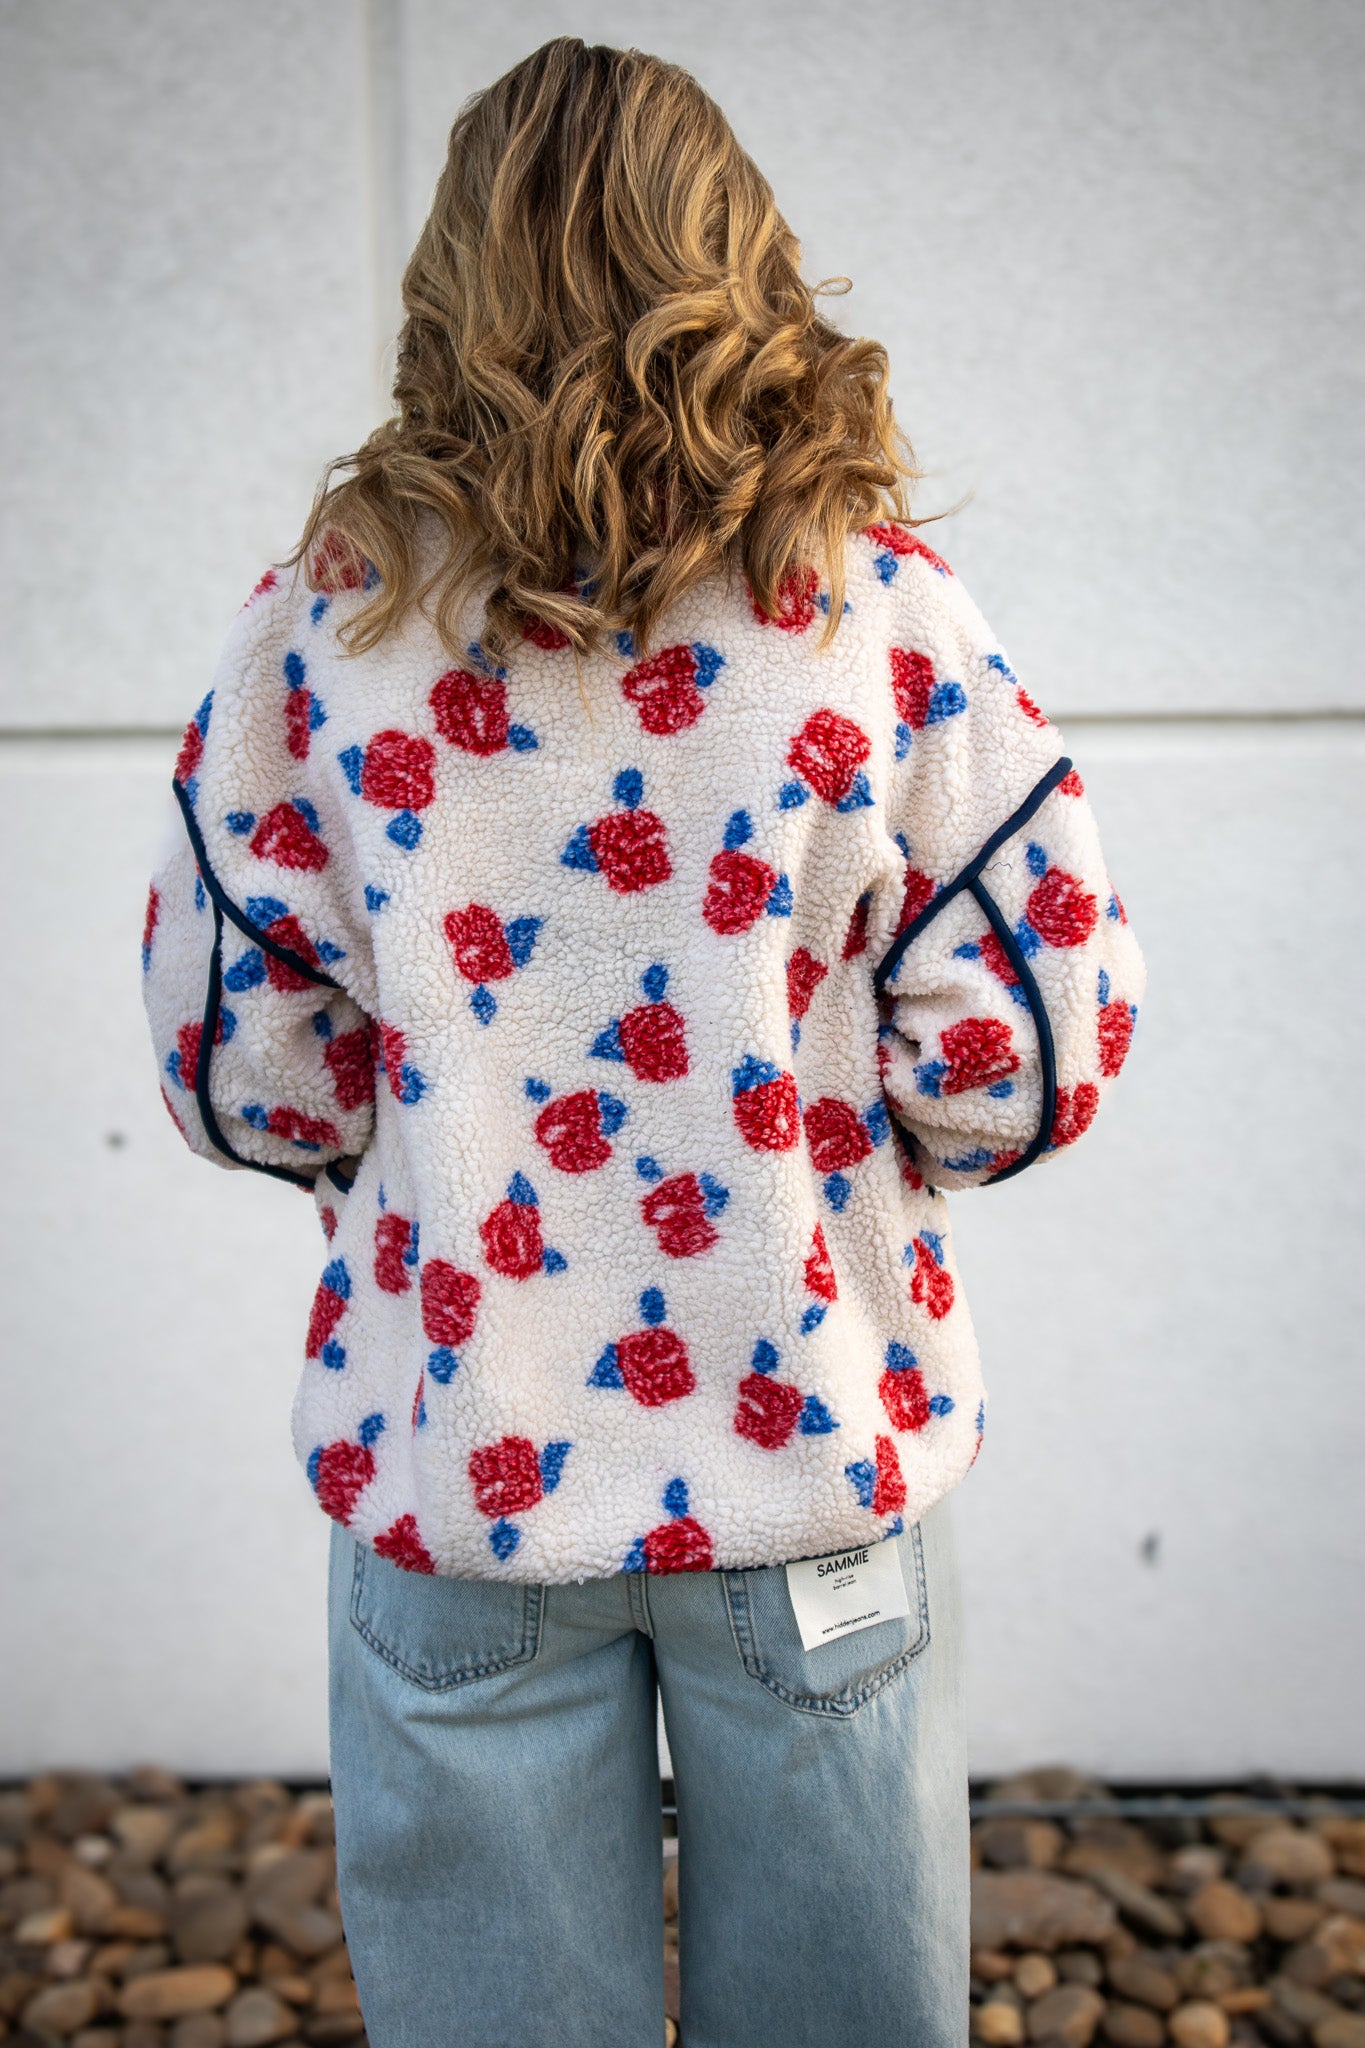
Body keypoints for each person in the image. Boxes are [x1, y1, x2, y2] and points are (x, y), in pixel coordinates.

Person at [141, 35, 1145, 2048]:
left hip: (461, 1464)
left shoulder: (321, 630)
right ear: (743, 268)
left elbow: (240, 1055)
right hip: (812, 1462)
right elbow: (1027, 1037)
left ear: (450, 295)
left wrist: (418, 1133)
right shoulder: (874, 613)